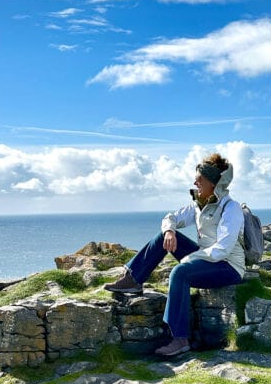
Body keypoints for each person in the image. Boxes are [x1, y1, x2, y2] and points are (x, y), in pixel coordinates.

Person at [105, 153, 245, 357]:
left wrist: (190, 259)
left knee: (179, 273)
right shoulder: (200, 204)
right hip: (207, 259)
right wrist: (169, 231)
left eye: (200, 179)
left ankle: (180, 338)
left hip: (228, 267)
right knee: (164, 236)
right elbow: (171, 217)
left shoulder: (230, 208)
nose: (195, 182)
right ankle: (133, 280)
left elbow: (222, 249)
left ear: (214, 184)